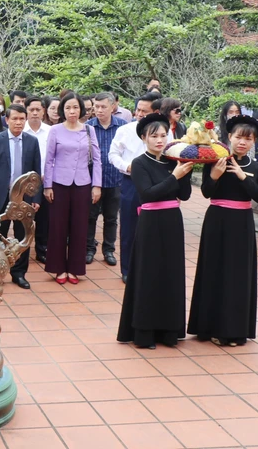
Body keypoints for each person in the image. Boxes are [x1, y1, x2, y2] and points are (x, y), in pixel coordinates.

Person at [188, 115, 258, 347]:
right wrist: (214, 176)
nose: (242, 142)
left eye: (248, 138)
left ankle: (235, 330)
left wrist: (243, 177)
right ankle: (208, 327)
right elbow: (206, 192)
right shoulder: (215, 160)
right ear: (229, 137)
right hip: (217, 221)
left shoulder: (256, 168)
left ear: (253, 142)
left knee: (237, 276)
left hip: (242, 223)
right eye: (238, 137)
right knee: (213, 270)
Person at [116, 113, 194, 349]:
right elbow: (148, 193)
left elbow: (185, 195)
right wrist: (175, 176)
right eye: (154, 136)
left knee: (171, 273)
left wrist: (184, 174)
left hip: (172, 220)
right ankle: (145, 332)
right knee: (148, 274)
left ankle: (170, 332)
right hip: (150, 221)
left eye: (163, 135)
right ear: (144, 138)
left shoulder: (173, 161)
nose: (160, 140)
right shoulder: (139, 163)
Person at [43, 92, 101, 285]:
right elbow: (49, 160)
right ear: (62, 110)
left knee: (79, 226)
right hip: (59, 183)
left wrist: (96, 185)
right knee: (58, 226)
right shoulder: (56, 130)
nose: (72, 111)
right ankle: (58, 268)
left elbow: (97, 160)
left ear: (81, 109)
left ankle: (75, 269)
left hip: (83, 184)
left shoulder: (88, 130)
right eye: (68, 108)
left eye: (75, 107)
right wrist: (48, 185)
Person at [0, 104, 42, 289]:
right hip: (1, 196)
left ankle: (19, 273)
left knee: (22, 235)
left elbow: (36, 174)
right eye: (14, 119)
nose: (18, 122)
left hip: (23, 198)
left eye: (21, 119)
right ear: (6, 120)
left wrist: (36, 199)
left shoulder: (32, 142)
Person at [109, 92, 162, 282]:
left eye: (144, 111)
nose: (139, 114)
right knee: (129, 227)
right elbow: (113, 154)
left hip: (158, 184)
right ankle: (127, 270)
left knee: (154, 227)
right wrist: (126, 166)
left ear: (156, 112)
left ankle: (150, 269)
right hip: (131, 183)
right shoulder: (125, 130)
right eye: (137, 109)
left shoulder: (166, 131)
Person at [85, 93, 127, 266]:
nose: (99, 110)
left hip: (115, 179)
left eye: (103, 106)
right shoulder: (87, 127)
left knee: (111, 218)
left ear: (112, 107)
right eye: (97, 106)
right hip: (92, 180)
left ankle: (109, 250)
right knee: (90, 216)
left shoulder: (123, 127)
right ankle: (88, 249)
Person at [24, 96, 51, 264]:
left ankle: (41, 249)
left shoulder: (51, 131)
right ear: (26, 111)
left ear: (43, 111)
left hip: (45, 179)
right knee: (24, 216)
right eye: (31, 110)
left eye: (38, 110)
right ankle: (21, 250)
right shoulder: (20, 129)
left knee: (44, 218)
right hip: (25, 181)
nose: (34, 113)